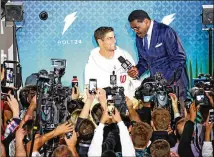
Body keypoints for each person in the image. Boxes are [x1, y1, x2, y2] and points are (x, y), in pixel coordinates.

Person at [127, 10, 189, 110]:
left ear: (146, 22)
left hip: (175, 84)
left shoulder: (165, 31)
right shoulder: (139, 37)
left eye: (136, 28)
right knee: (161, 119)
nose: (135, 31)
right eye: (133, 29)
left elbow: (179, 59)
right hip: (156, 86)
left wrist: (165, 80)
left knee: (179, 118)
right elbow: (144, 61)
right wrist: (137, 70)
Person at [85, 26, 141, 98]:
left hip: (126, 102)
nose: (114, 41)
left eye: (114, 37)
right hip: (102, 104)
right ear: (100, 42)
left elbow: (136, 82)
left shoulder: (125, 56)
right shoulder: (92, 64)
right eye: (109, 38)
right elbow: (90, 90)